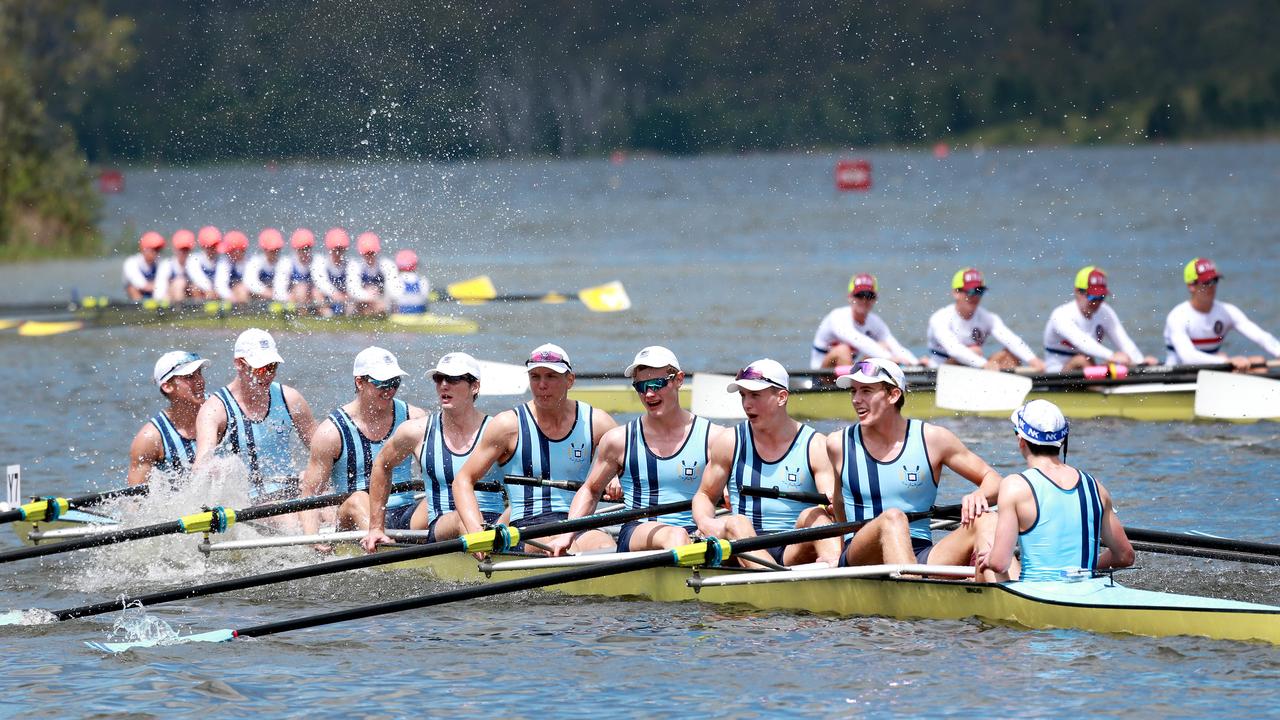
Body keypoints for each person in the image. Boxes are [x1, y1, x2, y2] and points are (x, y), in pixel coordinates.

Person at [826, 358, 1005, 578]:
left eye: (866, 391)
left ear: (893, 395)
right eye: (853, 392)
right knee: (892, 518)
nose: (856, 400)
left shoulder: (933, 439)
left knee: (987, 519)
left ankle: (1007, 594)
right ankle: (916, 601)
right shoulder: (838, 444)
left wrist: (980, 495)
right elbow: (839, 503)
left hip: (920, 553)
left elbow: (995, 481)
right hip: (862, 556)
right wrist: (838, 552)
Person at [549, 346, 716, 555]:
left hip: (697, 533)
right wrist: (568, 535)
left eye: (657, 384)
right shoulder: (619, 440)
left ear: (679, 380)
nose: (649, 394)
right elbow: (591, 490)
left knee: (734, 528)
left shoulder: (713, 438)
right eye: (641, 386)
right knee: (675, 535)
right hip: (638, 531)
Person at [451, 343, 618, 550]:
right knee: (569, 550)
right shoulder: (507, 426)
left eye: (551, 376)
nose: (542, 385)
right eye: (535, 377)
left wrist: (616, 475)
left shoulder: (597, 422)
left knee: (606, 547)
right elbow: (463, 480)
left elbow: (633, 469)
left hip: (578, 525)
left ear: (570, 380)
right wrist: (477, 535)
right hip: (528, 530)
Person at [692, 358, 841, 567]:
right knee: (737, 521)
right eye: (743, 395)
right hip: (743, 543)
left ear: (781, 397)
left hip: (793, 546)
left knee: (816, 515)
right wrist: (706, 523)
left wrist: (836, 504)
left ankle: (836, 570)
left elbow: (832, 506)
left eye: (755, 395)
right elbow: (705, 495)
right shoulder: (730, 442)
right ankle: (770, 581)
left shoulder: (815, 446)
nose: (746, 404)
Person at [361, 352, 510, 551]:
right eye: (438, 379)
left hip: (495, 524)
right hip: (444, 526)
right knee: (460, 519)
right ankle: (484, 548)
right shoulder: (416, 431)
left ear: (475, 386)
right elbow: (381, 465)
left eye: (453, 379)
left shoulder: (500, 430)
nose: (443, 385)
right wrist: (376, 527)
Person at [976, 400, 1134, 581]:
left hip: (1035, 597)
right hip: (1086, 591)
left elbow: (1000, 563)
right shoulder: (1096, 487)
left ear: (1021, 441)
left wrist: (989, 558)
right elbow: (1125, 556)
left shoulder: (1014, 486)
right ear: (1062, 441)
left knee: (984, 536)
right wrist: (1084, 567)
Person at [299, 347, 426, 543]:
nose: (389, 390)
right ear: (360, 382)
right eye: (382, 383)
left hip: (405, 513)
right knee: (358, 498)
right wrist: (313, 540)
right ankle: (384, 544)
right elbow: (310, 494)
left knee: (443, 495)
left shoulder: (414, 418)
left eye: (394, 382)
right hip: (354, 520)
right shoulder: (330, 433)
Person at [194, 328, 317, 501]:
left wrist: (313, 471)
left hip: (291, 493)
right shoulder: (214, 410)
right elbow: (201, 466)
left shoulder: (290, 398)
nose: (268, 375)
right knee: (289, 519)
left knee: (332, 511)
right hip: (248, 503)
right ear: (239, 364)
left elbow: (322, 449)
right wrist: (214, 469)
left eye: (272, 367)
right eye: (261, 369)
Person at [1164, 258, 1280, 372]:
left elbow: (1261, 336)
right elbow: (1187, 357)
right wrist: (1225, 361)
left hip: (1211, 372)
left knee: (1259, 363)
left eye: (1214, 281)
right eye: (1206, 283)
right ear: (1191, 286)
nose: (1212, 287)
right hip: (1178, 376)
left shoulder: (1227, 311)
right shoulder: (1177, 316)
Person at [927, 267, 1046, 371]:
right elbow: (955, 350)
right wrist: (984, 364)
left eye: (980, 291)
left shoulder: (988, 318)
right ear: (956, 293)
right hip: (940, 372)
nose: (975, 296)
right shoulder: (940, 318)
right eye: (971, 291)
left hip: (975, 367)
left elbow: (1011, 340)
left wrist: (1034, 361)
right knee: (975, 351)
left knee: (1011, 356)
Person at [1042, 266, 1156, 372]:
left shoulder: (1105, 311)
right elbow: (1082, 342)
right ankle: (1103, 390)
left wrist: (1141, 362)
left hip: (1088, 372)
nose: (1097, 302)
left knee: (1123, 358)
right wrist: (1112, 356)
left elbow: (1123, 341)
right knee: (1082, 360)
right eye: (1093, 296)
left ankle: (1108, 389)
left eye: (1101, 297)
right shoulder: (1061, 315)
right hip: (1058, 374)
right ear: (1077, 292)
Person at [126, 351, 210, 486]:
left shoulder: (221, 410)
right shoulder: (149, 439)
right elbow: (136, 502)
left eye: (199, 373)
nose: (200, 381)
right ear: (167, 386)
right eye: (189, 377)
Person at [810, 273, 921, 370]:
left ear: (875, 299)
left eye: (869, 296)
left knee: (882, 347)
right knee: (843, 350)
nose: (864, 300)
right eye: (859, 295)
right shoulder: (837, 317)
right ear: (850, 297)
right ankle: (852, 389)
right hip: (821, 375)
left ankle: (861, 389)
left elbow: (894, 346)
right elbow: (858, 340)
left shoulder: (875, 321)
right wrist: (889, 358)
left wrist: (915, 363)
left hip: (846, 370)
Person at [347, 232, 398, 315]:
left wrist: (379, 298)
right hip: (361, 302)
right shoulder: (355, 266)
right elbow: (352, 290)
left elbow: (393, 291)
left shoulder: (387, 265)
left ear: (377, 251)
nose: (369, 256)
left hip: (381, 301)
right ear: (361, 253)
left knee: (383, 307)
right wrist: (369, 296)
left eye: (372, 253)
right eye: (366, 254)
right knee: (351, 307)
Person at [276, 228, 321, 304]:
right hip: (292, 300)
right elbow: (279, 291)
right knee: (301, 289)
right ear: (296, 249)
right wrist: (289, 298)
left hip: (312, 296)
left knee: (317, 292)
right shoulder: (286, 263)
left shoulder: (317, 261)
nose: (305, 252)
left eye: (307, 249)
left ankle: (327, 313)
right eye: (301, 249)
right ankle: (302, 314)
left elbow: (321, 284)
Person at [314, 227, 352, 313]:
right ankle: (326, 314)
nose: (338, 253)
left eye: (341, 250)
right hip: (327, 297)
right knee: (316, 292)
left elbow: (352, 286)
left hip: (343, 297)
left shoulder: (349, 265)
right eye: (335, 250)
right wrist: (335, 294)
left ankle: (348, 315)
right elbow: (321, 283)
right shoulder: (320, 262)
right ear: (330, 249)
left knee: (350, 294)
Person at [244, 228, 288, 302]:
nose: (274, 253)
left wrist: (277, 295)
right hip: (260, 294)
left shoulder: (284, 262)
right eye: (271, 250)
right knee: (242, 290)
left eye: (277, 250)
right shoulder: (255, 262)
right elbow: (250, 283)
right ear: (264, 249)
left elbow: (281, 285)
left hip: (278, 295)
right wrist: (266, 292)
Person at [154, 229, 196, 303]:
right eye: (181, 249)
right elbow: (159, 292)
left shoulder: (194, 263)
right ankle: (178, 311)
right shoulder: (166, 265)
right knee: (179, 283)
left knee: (195, 287)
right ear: (174, 249)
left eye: (186, 250)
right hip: (169, 299)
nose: (183, 253)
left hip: (190, 297)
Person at [123, 231, 165, 301]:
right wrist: (159, 286)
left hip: (156, 296)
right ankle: (140, 311)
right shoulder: (131, 263)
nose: (157, 253)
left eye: (158, 250)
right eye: (154, 249)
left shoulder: (161, 262)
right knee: (132, 288)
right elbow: (142, 285)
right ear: (144, 249)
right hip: (138, 296)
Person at [213, 230, 251, 304]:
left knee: (242, 289)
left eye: (230, 251)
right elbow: (220, 286)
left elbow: (251, 284)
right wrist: (232, 297)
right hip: (230, 297)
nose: (227, 254)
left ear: (239, 250)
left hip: (249, 294)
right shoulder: (224, 263)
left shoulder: (251, 262)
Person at [186, 226, 222, 300]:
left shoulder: (222, 261)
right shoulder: (194, 259)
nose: (213, 249)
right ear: (203, 246)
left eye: (215, 246)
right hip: (202, 292)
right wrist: (209, 289)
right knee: (195, 288)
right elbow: (198, 278)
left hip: (217, 292)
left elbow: (222, 281)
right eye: (211, 246)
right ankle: (198, 310)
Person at [389, 249, 429, 314]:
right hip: (420, 316)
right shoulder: (423, 280)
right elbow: (425, 298)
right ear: (415, 265)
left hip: (400, 316)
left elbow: (391, 300)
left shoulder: (395, 280)